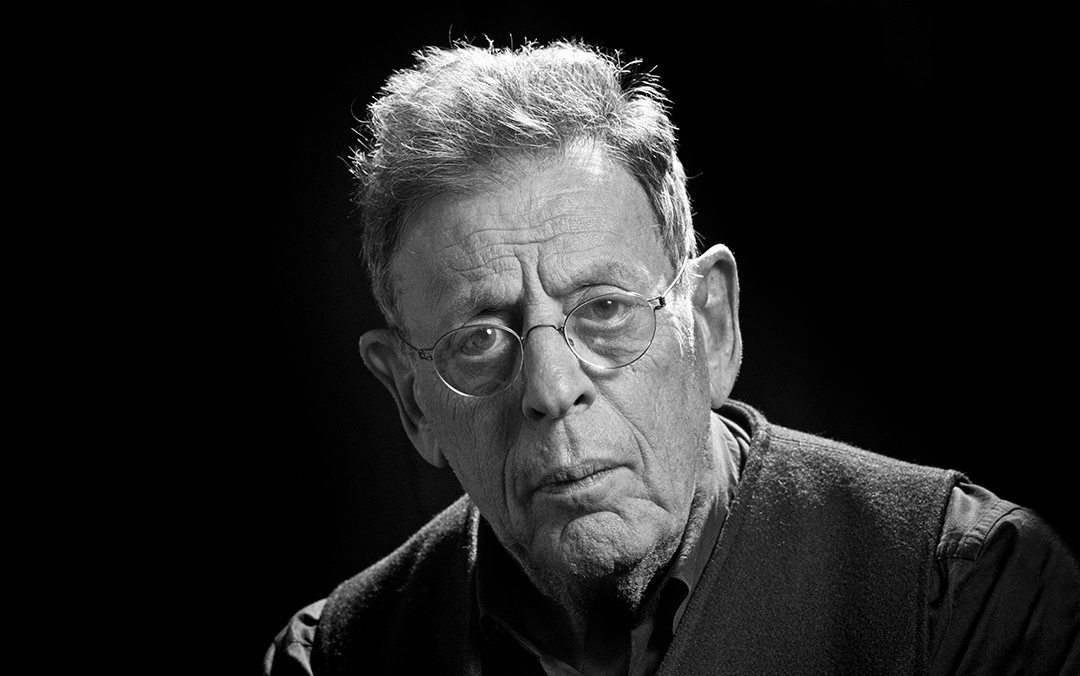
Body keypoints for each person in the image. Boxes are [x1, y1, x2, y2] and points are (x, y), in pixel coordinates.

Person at [265, 41, 1078, 675]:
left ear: (712, 325)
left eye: (605, 309)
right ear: (413, 400)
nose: (552, 388)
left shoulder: (968, 593)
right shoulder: (331, 662)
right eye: (478, 339)